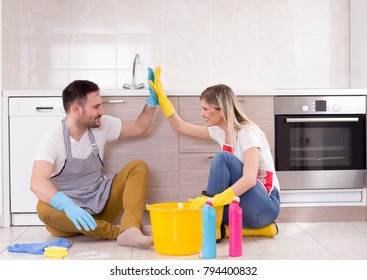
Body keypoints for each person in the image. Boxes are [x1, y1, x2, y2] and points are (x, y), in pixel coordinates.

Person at [30, 69, 158, 249]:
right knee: (42, 209)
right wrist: (69, 207)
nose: (102, 111)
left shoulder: (102, 125)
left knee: (138, 166)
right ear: (76, 109)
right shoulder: (52, 140)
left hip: (101, 203)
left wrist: (151, 102)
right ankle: (121, 231)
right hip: (69, 217)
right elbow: (37, 182)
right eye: (96, 107)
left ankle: (130, 228)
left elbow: (139, 127)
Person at [149, 66, 280, 239]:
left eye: (205, 109)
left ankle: (214, 223)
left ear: (221, 110)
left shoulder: (247, 133)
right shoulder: (219, 131)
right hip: (247, 209)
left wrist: (214, 200)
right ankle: (227, 227)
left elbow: (249, 179)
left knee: (223, 159)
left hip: (266, 207)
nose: (201, 113)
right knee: (202, 214)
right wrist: (162, 99)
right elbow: (180, 126)